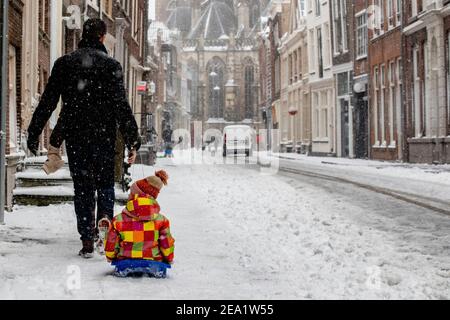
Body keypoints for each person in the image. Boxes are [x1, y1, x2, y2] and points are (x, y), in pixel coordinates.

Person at [27, 18, 141, 258]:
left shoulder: (64, 64)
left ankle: (87, 238)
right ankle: (105, 226)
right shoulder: (111, 66)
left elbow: (48, 101)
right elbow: (121, 106)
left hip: (77, 135)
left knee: (83, 187)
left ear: (82, 35)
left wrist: (34, 131)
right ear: (102, 37)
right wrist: (132, 138)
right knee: (105, 183)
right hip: (104, 136)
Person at [104, 170, 175, 265]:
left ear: (135, 196)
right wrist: (168, 258)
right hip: (154, 262)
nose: (129, 195)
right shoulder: (161, 221)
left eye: (131, 193)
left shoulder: (118, 220)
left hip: (124, 262)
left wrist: (110, 256)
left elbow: (111, 243)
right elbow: (166, 244)